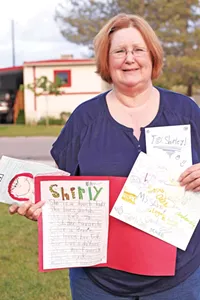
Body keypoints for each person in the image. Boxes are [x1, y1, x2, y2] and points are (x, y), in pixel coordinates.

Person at [9, 13, 200, 300]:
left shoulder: (186, 111)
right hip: (98, 282)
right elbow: (60, 188)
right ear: (106, 61)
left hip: (179, 278)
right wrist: (40, 206)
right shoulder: (84, 119)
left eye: (138, 49)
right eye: (119, 51)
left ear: (152, 56)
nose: (129, 58)